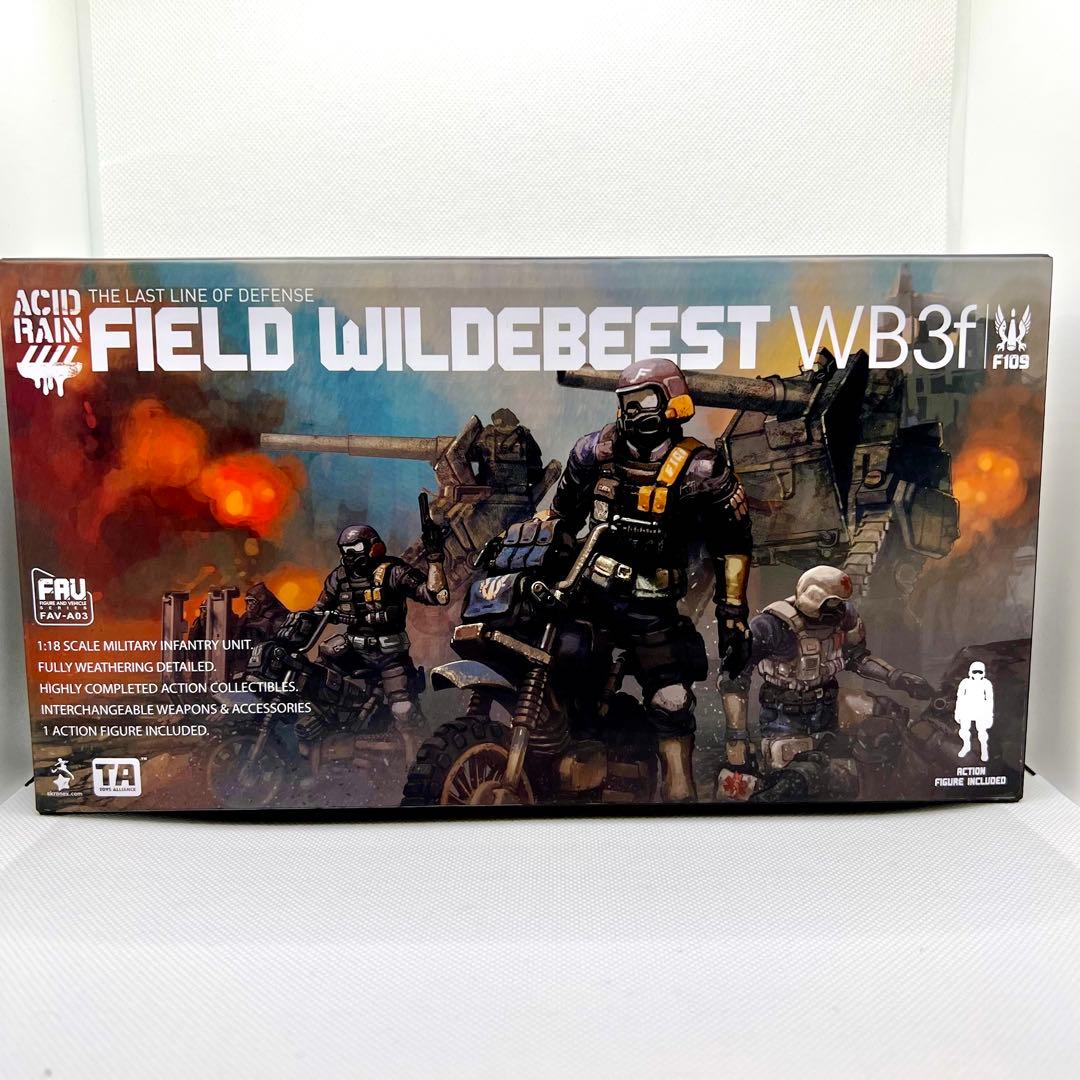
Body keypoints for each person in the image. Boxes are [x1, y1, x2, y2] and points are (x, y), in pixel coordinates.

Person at [550, 357, 753, 801]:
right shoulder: (591, 453)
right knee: (561, 672)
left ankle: (679, 794)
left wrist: (733, 614)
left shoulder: (702, 469)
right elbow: (559, 520)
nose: (633, 412)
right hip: (589, 594)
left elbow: (733, 545)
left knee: (671, 699)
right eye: (627, 402)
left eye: (644, 400)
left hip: (652, 603)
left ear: (673, 402)